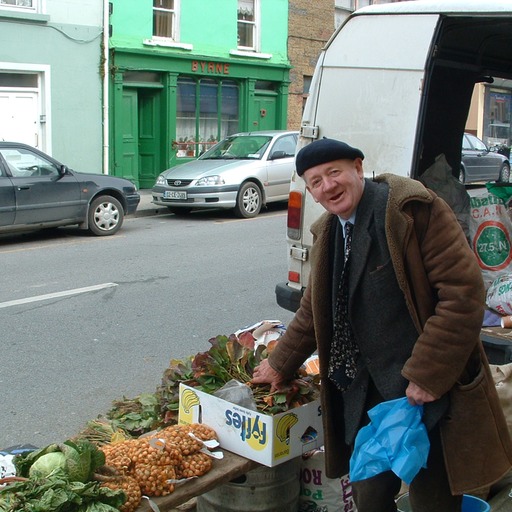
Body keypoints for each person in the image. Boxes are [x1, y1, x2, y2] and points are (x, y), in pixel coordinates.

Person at [251, 138, 512, 512]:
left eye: (334, 172)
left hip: (426, 390)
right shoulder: (328, 231)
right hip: (367, 392)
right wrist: (279, 364)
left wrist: (427, 374)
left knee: (433, 498)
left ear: (358, 167)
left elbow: (463, 294)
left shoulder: (410, 212)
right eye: (316, 182)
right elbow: (314, 310)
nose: (328, 186)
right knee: (369, 495)